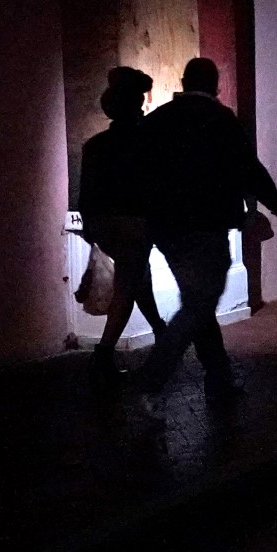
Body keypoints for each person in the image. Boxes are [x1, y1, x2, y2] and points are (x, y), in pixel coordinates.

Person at [131, 56, 277, 412]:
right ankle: (152, 380)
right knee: (200, 304)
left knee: (198, 302)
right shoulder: (222, 120)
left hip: (166, 230)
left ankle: (219, 380)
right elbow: (247, 166)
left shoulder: (156, 122)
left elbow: (138, 172)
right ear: (216, 86)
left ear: (184, 82)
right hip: (208, 226)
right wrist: (272, 199)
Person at [78, 67, 167, 377]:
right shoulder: (146, 141)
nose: (144, 105)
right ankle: (103, 354)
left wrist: (90, 226)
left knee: (139, 277)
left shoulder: (95, 146)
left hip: (104, 224)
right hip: (135, 222)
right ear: (134, 103)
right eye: (140, 100)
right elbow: (155, 186)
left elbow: (87, 192)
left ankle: (161, 332)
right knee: (130, 283)